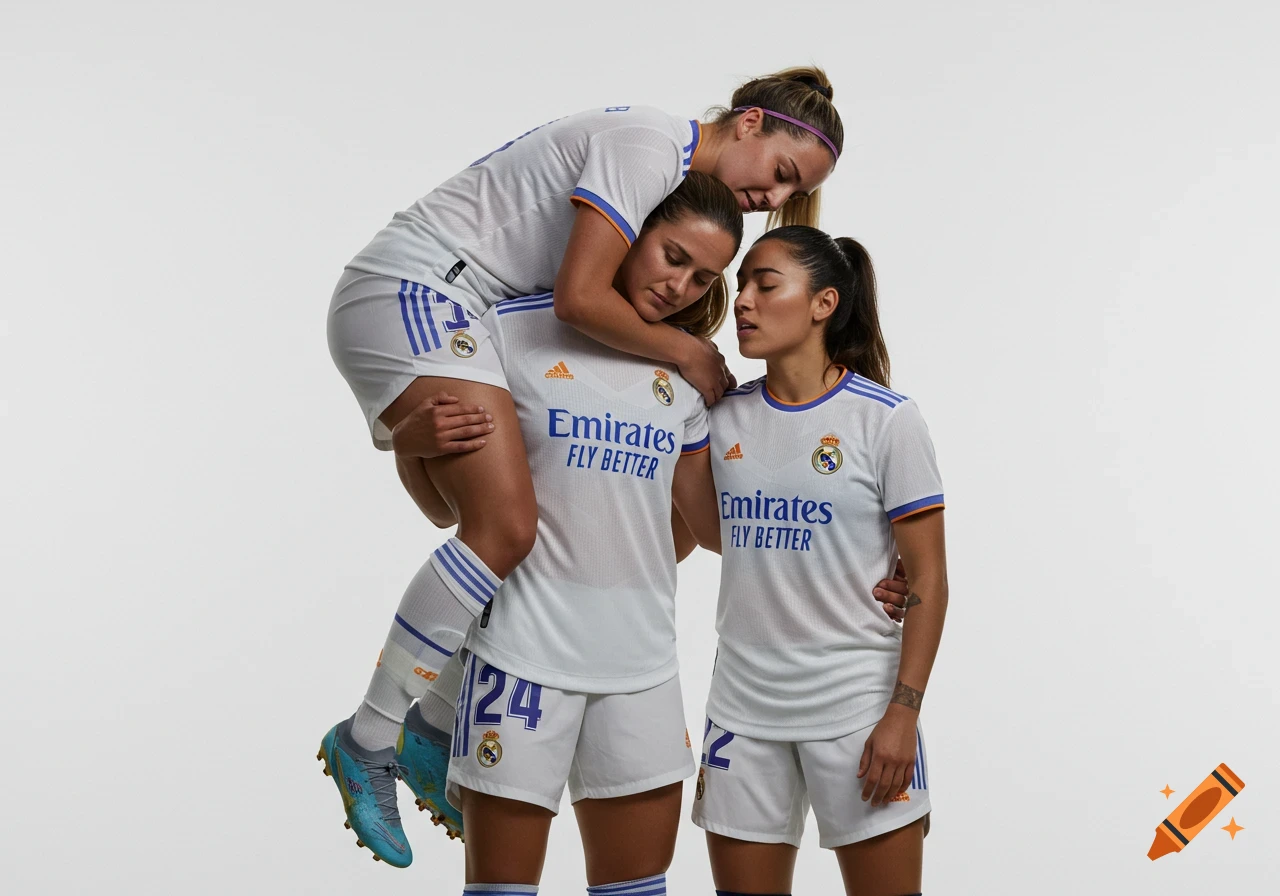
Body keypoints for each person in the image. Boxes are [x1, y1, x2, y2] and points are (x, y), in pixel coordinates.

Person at [319, 67, 847, 867]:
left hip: (451, 304)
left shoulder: (657, 172)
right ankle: (369, 737)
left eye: (791, 194)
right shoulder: (647, 142)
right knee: (507, 526)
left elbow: (694, 528)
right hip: (417, 287)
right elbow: (577, 298)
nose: (772, 196)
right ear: (747, 123)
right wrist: (689, 354)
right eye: (780, 171)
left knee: (523, 531)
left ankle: (433, 718)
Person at [674, 227, 948, 896]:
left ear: (824, 303)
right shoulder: (722, 416)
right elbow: (719, 535)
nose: (744, 302)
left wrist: (903, 713)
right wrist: (683, 408)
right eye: (742, 287)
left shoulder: (885, 420)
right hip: (742, 709)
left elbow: (931, 579)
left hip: (857, 708)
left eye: (767, 285)